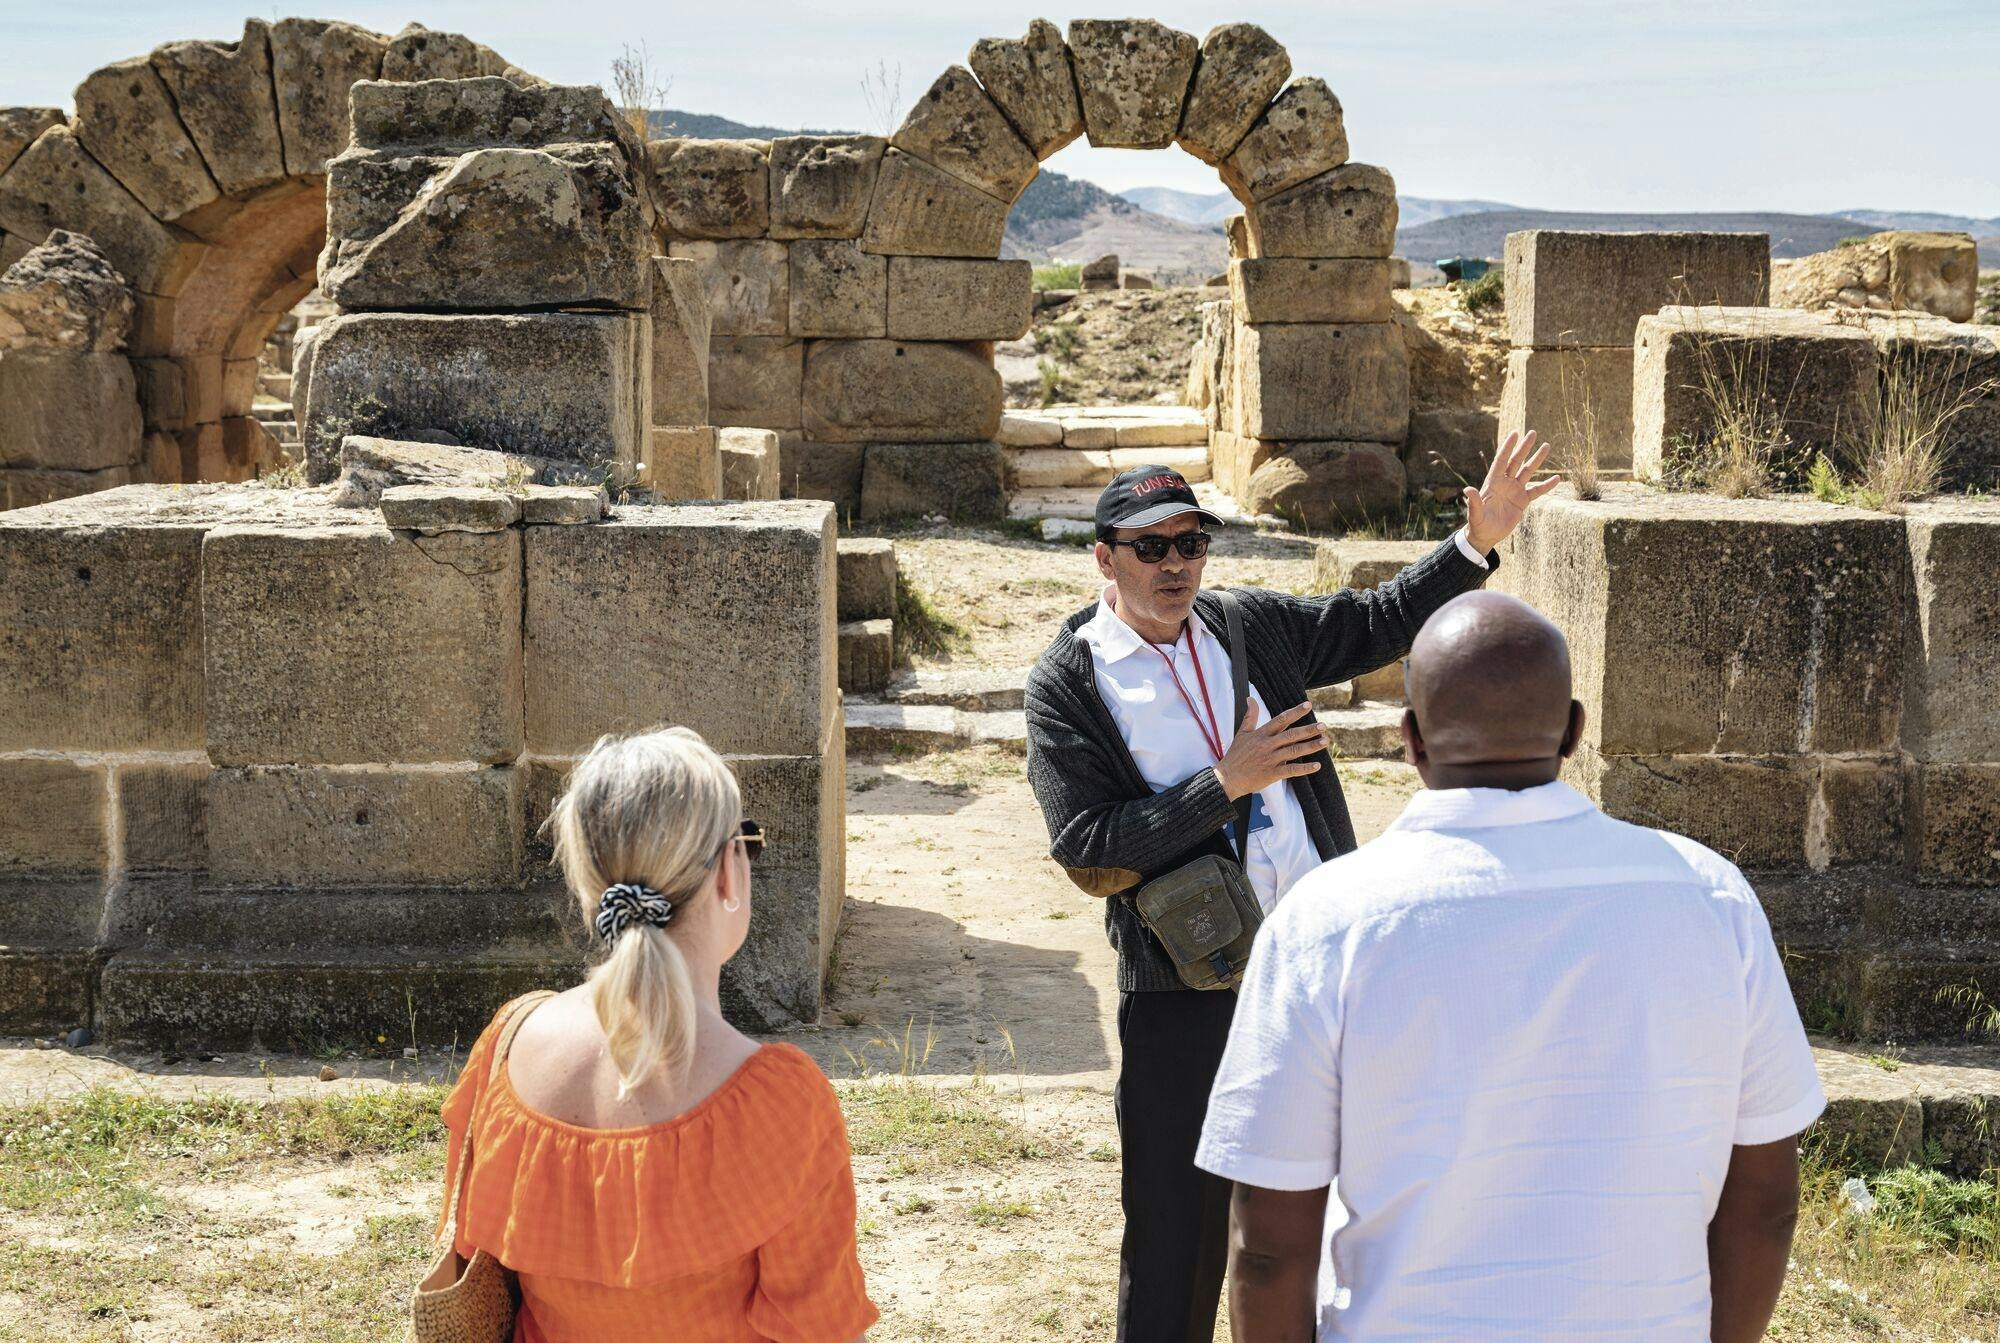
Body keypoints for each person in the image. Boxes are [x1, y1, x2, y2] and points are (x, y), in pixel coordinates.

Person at [1024, 433, 1560, 1342]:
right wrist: (1224, 782)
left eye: (1191, 543)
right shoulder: (1067, 681)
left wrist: (1475, 543)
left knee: (1335, 1211)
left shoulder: (1243, 625)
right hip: (1186, 995)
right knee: (1178, 1241)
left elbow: (1375, 622)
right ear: (1104, 557)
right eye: (1151, 547)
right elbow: (1086, 844)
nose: (1176, 565)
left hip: (1319, 967)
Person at [1196, 592, 1825, 1343]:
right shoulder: (1711, 896)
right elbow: (1764, 1201)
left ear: (1410, 738)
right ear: (1573, 731)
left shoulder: (1325, 921)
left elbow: (1267, 1245)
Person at [435, 727, 876, 1343]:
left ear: (589, 884)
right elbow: (821, 1332)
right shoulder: (783, 1104)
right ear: (729, 871)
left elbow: (468, 1261)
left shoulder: (507, 1046)